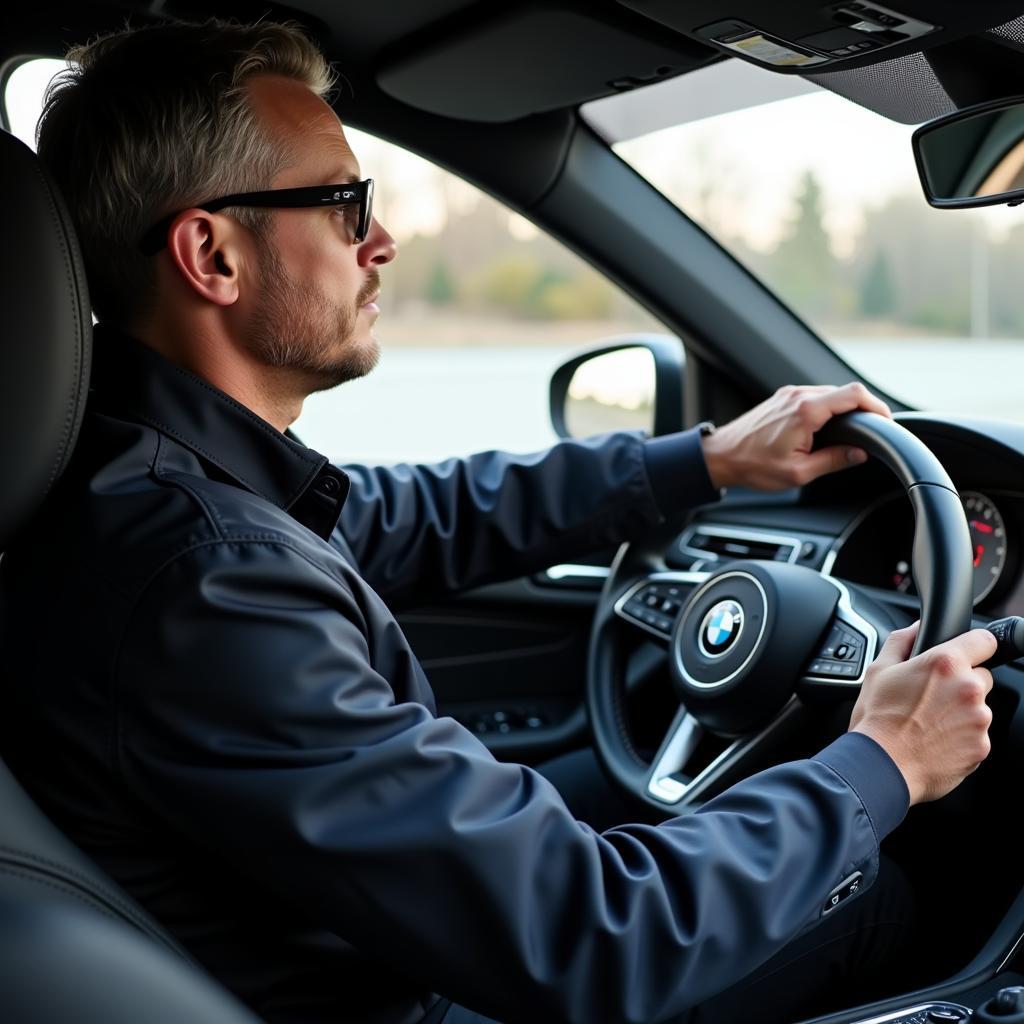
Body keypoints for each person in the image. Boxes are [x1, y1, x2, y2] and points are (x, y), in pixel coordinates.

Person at [0, 18, 996, 1024]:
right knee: (873, 894)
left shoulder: (135, 488)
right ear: (211, 253)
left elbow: (404, 518)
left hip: (352, 957)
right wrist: (884, 756)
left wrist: (704, 461)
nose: (380, 242)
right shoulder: (206, 580)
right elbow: (599, 933)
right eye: (347, 206)